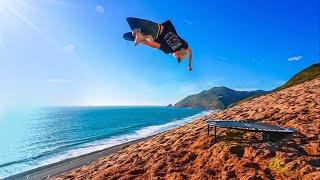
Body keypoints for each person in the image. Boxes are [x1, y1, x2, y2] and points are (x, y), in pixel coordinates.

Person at [124, 18, 192, 71]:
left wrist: (189, 65)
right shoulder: (169, 50)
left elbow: (190, 52)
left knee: (133, 28)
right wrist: (142, 40)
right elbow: (153, 45)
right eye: (177, 58)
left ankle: (137, 32)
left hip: (158, 27)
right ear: (178, 54)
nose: (175, 57)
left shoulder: (184, 44)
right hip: (153, 34)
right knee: (149, 41)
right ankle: (142, 36)